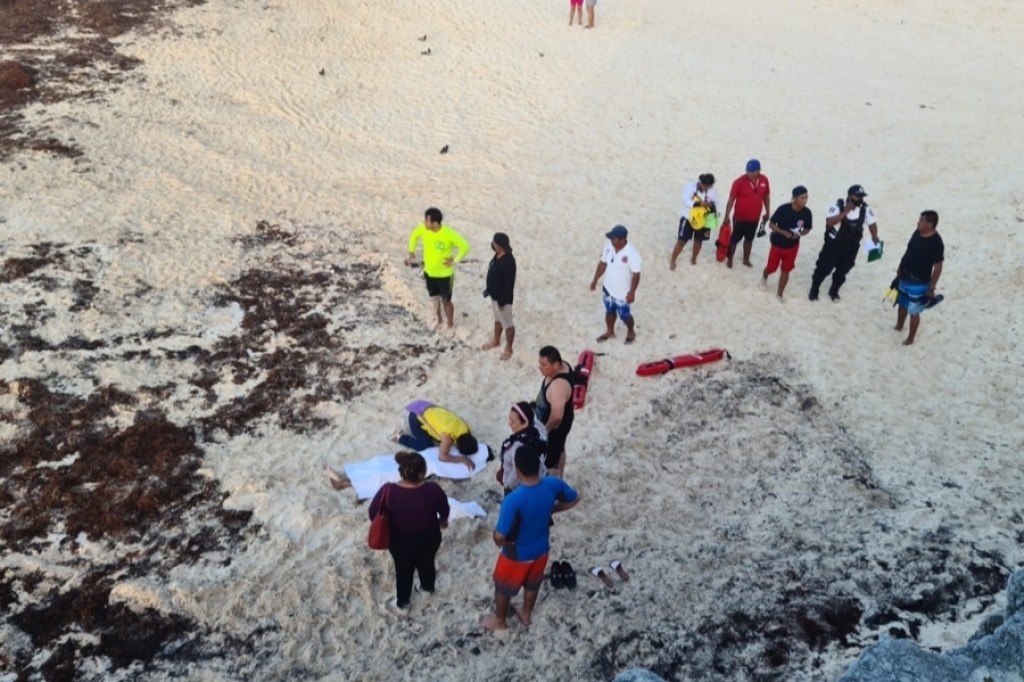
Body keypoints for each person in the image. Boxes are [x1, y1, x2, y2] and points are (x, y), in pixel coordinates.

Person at [479, 445, 579, 632]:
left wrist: (496, 539)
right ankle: (526, 613)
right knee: (533, 582)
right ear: (538, 465)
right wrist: (553, 509)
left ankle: (500, 622)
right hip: (541, 549)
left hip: (516, 553)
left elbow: (500, 535)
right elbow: (574, 498)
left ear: (517, 470)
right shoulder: (552, 483)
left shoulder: (513, 500)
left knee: (502, 586)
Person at [368, 451, 450, 611]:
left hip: (399, 543)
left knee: (403, 572)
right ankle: (427, 589)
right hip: (429, 539)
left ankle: (403, 603)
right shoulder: (433, 489)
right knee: (427, 564)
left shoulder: (388, 490)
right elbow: (444, 509)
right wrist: (443, 521)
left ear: (401, 471)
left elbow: (373, 513)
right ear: (422, 473)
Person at [809, 184, 881, 302]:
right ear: (850, 196)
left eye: (861, 197)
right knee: (824, 268)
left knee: (843, 270)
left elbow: (872, 223)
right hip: (834, 244)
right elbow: (830, 222)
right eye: (857, 197)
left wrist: (874, 236)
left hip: (851, 246)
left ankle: (834, 290)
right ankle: (814, 289)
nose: (860, 199)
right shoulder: (838, 205)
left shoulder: (865, 209)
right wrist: (846, 211)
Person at [405, 207, 470, 329]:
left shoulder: (448, 233)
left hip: (445, 275)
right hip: (429, 272)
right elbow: (414, 235)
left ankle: (450, 323)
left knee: (446, 300)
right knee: (434, 298)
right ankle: (438, 319)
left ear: (435, 223)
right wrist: (411, 250)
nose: (424, 222)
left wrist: (454, 260)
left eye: (427, 220)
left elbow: (465, 246)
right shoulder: (423, 229)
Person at [894, 210, 944, 345]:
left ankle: (910, 339)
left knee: (914, 311)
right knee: (902, 303)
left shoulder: (936, 243)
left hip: (919, 283)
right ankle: (899, 326)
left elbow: (938, 267)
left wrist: (931, 287)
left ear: (930, 224)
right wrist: (900, 267)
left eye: (922, 220)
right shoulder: (917, 232)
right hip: (905, 276)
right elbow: (908, 250)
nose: (918, 222)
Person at [590, 224, 642, 344]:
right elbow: (603, 264)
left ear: (622, 239)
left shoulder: (632, 254)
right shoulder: (608, 247)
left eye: (613, 238)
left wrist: (632, 292)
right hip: (608, 288)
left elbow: (636, 274)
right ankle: (610, 331)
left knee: (625, 315)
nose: (611, 240)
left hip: (623, 292)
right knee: (609, 311)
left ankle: (631, 330)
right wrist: (595, 280)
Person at [759, 186, 813, 301]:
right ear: (794, 198)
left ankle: (779, 293)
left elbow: (808, 228)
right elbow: (771, 224)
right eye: (802, 197)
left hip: (793, 246)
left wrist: (801, 233)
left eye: (806, 197)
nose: (805, 200)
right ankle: (764, 276)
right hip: (777, 245)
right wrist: (783, 232)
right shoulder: (783, 209)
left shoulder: (807, 213)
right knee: (771, 268)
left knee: (786, 270)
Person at [397, 401, 479, 471]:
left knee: (439, 440)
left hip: (426, 406)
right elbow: (442, 457)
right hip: (416, 416)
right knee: (427, 448)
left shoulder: (465, 428)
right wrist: (463, 459)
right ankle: (400, 437)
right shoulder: (448, 438)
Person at [722, 159, 771, 269]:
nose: (749, 173)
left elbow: (766, 196)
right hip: (740, 217)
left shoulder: (764, 180)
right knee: (734, 238)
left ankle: (746, 259)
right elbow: (731, 199)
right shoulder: (739, 182)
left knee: (749, 239)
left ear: (758, 170)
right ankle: (730, 259)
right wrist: (726, 216)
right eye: (748, 171)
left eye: (752, 171)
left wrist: (768, 211)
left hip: (754, 218)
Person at [535, 346, 574, 478]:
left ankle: (555, 489)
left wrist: (544, 430)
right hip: (564, 419)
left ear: (556, 365)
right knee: (560, 450)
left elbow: (557, 416)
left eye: (544, 364)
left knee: (550, 462)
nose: (540, 367)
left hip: (555, 428)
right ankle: (560, 479)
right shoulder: (565, 365)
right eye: (539, 363)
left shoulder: (558, 386)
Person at [496, 402, 547, 495]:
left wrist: (507, 485)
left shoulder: (518, 447)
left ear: (525, 423)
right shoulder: (539, 428)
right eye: (509, 419)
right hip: (539, 477)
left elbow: (516, 473)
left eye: (513, 421)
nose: (509, 424)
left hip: (519, 488)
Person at [669, 173, 718, 270]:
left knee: (699, 240)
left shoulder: (712, 190)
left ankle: (693, 258)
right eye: (706, 186)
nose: (707, 188)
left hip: (703, 218)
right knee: (682, 241)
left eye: (709, 186)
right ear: (701, 183)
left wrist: (710, 204)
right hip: (688, 217)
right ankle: (673, 260)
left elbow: (715, 202)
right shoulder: (690, 187)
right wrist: (699, 203)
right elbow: (685, 201)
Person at [481, 232, 517, 360]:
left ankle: (509, 348)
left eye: (495, 243)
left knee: (508, 324)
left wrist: (502, 301)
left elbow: (509, 284)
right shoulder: (497, 255)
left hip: (503, 299)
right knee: (497, 320)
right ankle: (496, 340)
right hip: (494, 296)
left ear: (500, 246)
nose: (493, 244)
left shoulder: (509, 262)